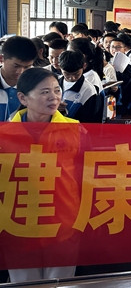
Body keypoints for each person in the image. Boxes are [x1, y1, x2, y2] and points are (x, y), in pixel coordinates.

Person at [9, 67, 78, 283]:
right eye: (45, 92)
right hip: (18, 223)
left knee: (60, 282)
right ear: (23, 98)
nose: (53, 97)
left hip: (62, 221)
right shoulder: (5, 134)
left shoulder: (76, 130)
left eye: (57, 90)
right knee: (24, 283)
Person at [58, 50, 103, 122]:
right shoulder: (54, 83)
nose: (72, 78)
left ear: (84, 66)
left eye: (76, 74)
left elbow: (90, 120)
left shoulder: (89, 91)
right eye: (67, 74)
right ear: (60, 67)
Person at [0, 36, 37, 121]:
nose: (21, 72)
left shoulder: (36, 85)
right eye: (16, 66)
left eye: (27, 67)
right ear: (1, 59)